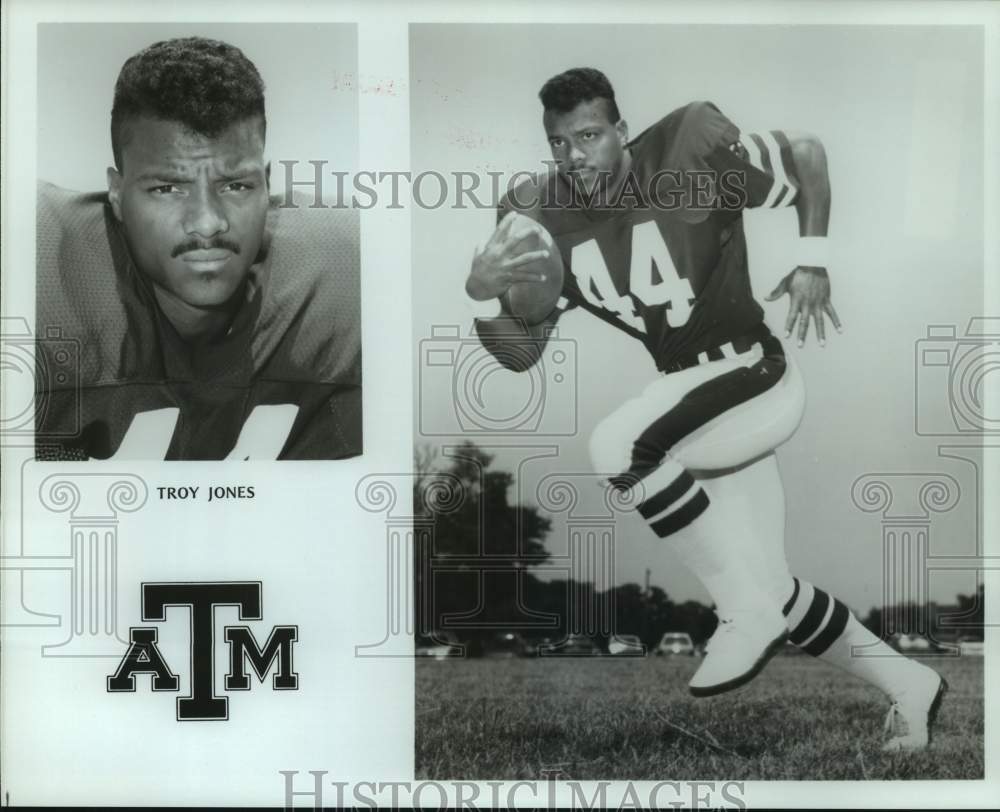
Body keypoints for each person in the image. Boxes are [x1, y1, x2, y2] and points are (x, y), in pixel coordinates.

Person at [465, 67, 945, 750]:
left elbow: (806, 152)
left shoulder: (685, 154)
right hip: (696, 403)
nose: (574, 157)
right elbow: (520, 355)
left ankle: (742, 611)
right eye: (559, 143)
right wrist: (488, 293)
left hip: (751, 373)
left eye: (589, 136)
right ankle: (909, 685)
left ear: (622, 133)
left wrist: (814, 259)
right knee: (773, 587)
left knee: (619, 446)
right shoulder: (544, 215)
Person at [35, 37, 361, 460]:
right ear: (117, 193)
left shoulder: (342, 274)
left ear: (266, 184)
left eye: (236, 185)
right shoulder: (39, 268)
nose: (208, 222)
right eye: (168, 188)